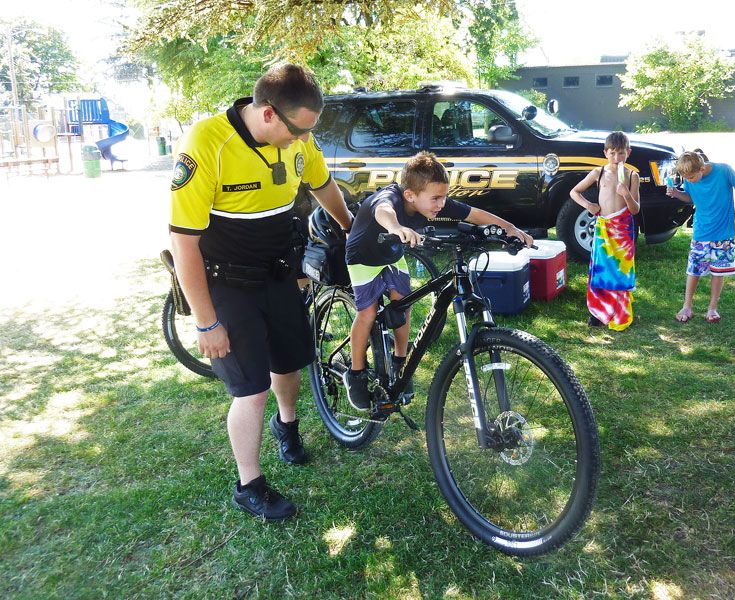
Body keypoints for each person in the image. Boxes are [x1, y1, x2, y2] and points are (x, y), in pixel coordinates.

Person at [169, 64, 353, 521]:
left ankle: (287, 427)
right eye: (299, 130)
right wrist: (206, 321)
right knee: (251, 389)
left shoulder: (297, 141)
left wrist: (350, 229)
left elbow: (323, 185)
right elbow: (184, 241)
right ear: (269, 114)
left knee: (290, 362)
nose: (303, 140)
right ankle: (248, 485)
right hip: (226, 283)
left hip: (279, 274)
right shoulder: (208, 142)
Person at [343, 151, 533, 409]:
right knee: (367, 312)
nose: (442, 203)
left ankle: (401, 362)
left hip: (391, 254)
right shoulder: (390, 199)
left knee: (403, 305)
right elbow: (383, 211)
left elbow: (472, 213)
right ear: (410, 195)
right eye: (436, 198)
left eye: (443, 196)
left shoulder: (432, 202)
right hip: (363, 258)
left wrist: (509, 227)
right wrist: (397, 228)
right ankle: (356, 374)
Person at [667, 151, 735, 324]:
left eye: (692, 176)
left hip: (724, 232)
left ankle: (712, 308)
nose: (689, 180)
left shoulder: (724, 171)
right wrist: (677, 194)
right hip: (701, 231)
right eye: (687, 178)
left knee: (718, 270)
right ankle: (687, 306)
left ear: (702, 168)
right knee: (694, 269)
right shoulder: (690, 178)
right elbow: (690, 197)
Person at [570, 131, 640, 330]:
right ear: (605, 153)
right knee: (601, 268)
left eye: (621, 154)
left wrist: (626, 194)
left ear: (629, 153)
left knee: (620, 269)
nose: (616, 158)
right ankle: (598, 311)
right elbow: (574, 192)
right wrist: (588, 205)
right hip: (603, 227)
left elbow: (635, 209)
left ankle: (619, 308)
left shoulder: (632, 176)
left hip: (623, 229)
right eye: (612, 154)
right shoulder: (598, 173)